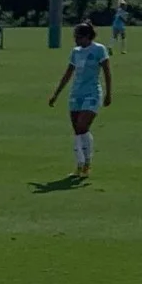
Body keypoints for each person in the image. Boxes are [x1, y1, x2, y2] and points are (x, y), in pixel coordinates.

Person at [48, 21, 112, 177]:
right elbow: (68, 73)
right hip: (76, 94)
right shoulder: (75, 52)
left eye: (78, 37)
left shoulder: (99, 50)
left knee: (83, 126)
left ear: (88, 36)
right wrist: (56, 94)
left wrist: (109, 93)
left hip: (92, 93)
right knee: (77, 130)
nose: (76, 40)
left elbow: (107, 72)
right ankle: (80, 165)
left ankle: (87, 162)